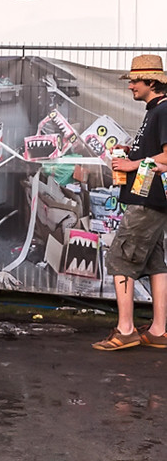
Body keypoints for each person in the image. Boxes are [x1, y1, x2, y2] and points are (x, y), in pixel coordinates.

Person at [92, 54, 167, 351]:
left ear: (152, 81)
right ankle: (159, 330)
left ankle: (125, 330)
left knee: (120, 259)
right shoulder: (156, 110)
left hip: (147, 201)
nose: (130, 86)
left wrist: (132, 166)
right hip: (153, 200)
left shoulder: (163, 112)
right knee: (155, 263)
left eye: (135, 80)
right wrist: (131, 153)